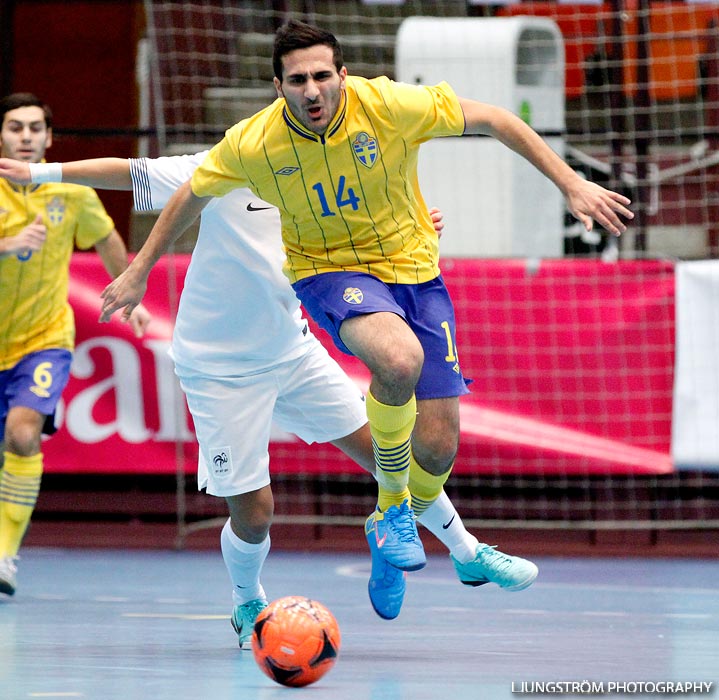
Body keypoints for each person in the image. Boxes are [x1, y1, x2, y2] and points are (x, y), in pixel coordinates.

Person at [99, 19, 632, 621]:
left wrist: (569, 183)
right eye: (297, 79)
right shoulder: (252, 144)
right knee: (397, 362)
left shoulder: (386, 105)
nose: (312, 89)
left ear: (343, 75)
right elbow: (186, 190)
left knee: (434, 447)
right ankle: (262, 593)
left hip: (410, 276)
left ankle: (408, 530)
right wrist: (140, 268)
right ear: (279, 87)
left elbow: (495, 119)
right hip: (323, 279)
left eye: (322, 74)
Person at [0, 151, 534, 642]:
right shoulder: (232, 162)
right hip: (218, 368)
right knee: (255, 512)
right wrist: (41, 173)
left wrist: (415, 230)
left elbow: (380, 245)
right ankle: (246, 600)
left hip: (292, 350)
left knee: (387, 455)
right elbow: (127, 171)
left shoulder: (342, 189)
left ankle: (467, 552)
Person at [0, 93, 151, 597]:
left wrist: (128, 291)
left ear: (48, 138)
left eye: (34, 128)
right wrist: (9, 246)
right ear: (1, 136)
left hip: (43, 340)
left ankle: (4, 555)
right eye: (15, 127)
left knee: (23, 436)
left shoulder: (72, 191)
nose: (25, 136)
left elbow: (106, 239)